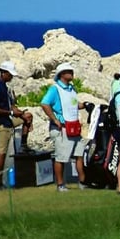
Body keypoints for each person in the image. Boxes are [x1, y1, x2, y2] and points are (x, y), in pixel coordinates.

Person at [40, 62, 87, 192]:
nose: (71, 74)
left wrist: (84, 105)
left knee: (79, 155)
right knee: (61, 158)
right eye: (69, 72)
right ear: (61, 74)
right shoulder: (55, 89)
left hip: (74, 127)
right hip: (62, 128)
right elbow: (44, 104)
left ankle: (82, 182)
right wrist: (55, 119)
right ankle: (60, 184)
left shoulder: (72, 89)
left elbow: (73, 104)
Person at [0, 60, 33, 187]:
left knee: (28, 116)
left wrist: (22, 115)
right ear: (3, 73)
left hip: (8, 119)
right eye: (10, 74)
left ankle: (23, 144)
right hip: (2, 123)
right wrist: (10, 113)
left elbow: (12, 106)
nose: (11, 77)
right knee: (2, 153)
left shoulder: (6, 88)